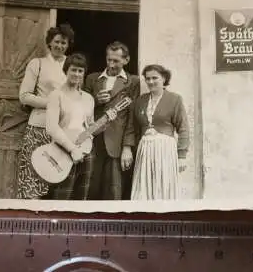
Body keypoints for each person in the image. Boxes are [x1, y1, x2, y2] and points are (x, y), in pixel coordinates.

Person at [44, 53, 117, 200]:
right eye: (73, 70)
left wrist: (106, 121)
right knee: (62, 198)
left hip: (86, 152)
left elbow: (90, 128)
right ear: (66, 70)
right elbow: (51, 127)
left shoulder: (88, 98)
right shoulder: (56, 95)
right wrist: (72, 150)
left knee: (81, 199)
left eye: (80, 71)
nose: (77, 74)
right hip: (63, 152)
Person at [16, 24, 74, 199]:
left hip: (62, 130)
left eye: (64, 43)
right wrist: (52, 103)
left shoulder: (72, 65)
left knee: (56, 173)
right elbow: (24, 96)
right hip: (39, 127)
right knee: (34, 172)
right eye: (56, 42)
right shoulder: (38, 64)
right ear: (49, 42)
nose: (60, 46)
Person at [123, 64, 190, 200]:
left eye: (155, 78)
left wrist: (181, 155)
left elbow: (183, 128)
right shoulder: (139, 101)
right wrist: (127, 148)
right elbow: (131, 127)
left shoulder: (174, 99)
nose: (151, 82)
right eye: (148, 79)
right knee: (144, 189)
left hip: (165, 150)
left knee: (163, 187)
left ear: (164, 79)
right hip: (145, 150)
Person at [84, 41, 141, 200]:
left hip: (116, 141)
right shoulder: (92, 78)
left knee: (113, 190)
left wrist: (127, 147)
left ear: (126, 60)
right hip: (93, 139)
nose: (111, 64)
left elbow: (132, 117)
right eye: (109, 59)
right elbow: (80, 107)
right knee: (90, 187)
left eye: (116, 61)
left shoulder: (133, 81)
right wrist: (96, 101)